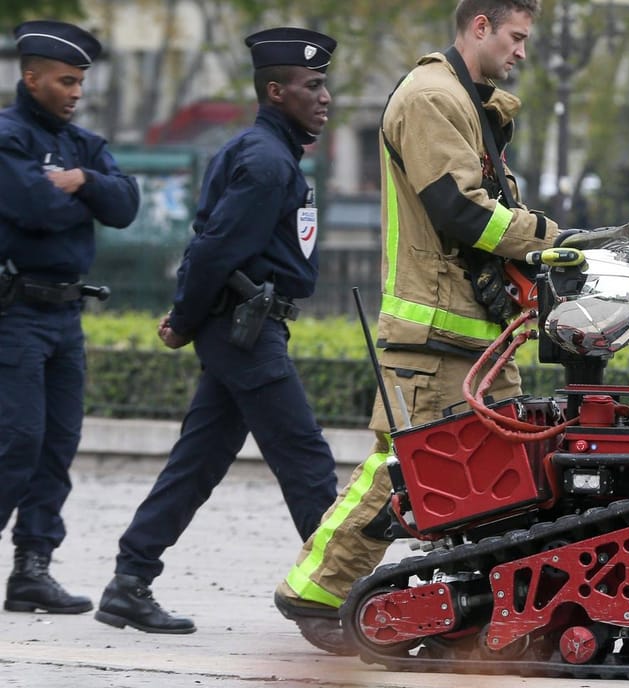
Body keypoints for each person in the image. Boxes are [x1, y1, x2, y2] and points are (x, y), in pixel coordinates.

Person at [274, 0, 580, 653]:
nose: (522, 52)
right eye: (516, 37)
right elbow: (462, 213)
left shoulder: (468, 103)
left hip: (472, 333)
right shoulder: (431, 98)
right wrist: (550, 241)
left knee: (502, 476)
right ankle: (314, 592)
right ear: (479, 27)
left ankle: (480, 609)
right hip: (435, 332)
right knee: (402, 467)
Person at [94, 27, 340, 634]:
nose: (326, 96)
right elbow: (211, 251)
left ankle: (129, 581)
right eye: (313, 86)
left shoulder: (270, 154)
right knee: (305, 458)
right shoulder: (264, 161)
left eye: (325, 83)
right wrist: (182, 320)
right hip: (244, 331)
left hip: (245, 328)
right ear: (276, 91)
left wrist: (188, 319)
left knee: (199, 459)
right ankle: (339, 596)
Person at [0, 21, 140, 615]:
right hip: (15, 313)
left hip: (66, 313)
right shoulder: (7, 137)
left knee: (58, 444)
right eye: (64, 81)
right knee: (17, 440)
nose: (75, 92)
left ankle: (32, 569)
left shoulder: (83, 147)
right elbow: (30, 206)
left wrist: (81, 181)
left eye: (80, 81)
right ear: (31, 78)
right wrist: (86, 200)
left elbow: (126, 204)